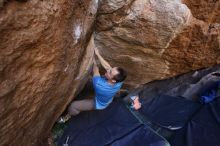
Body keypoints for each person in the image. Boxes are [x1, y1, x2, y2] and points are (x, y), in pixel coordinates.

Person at [58, 47, 128, 123]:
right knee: (97, 83)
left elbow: (95, 69)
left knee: (73, 106)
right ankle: (117, 93)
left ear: (114, 80)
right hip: (108, 97)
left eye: (110, 72)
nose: (108, 71)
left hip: (98, 104)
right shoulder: (119, 81)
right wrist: (98, 54)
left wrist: (93, 59)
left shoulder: (99, 84)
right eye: (111, 70)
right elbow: (108, 67)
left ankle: (66, 117)